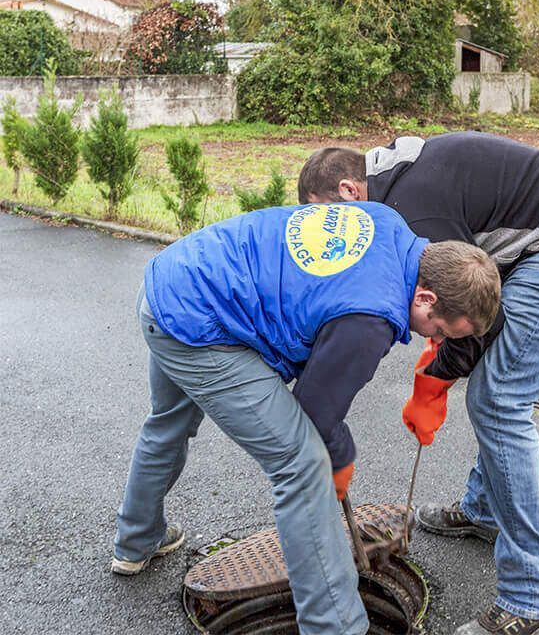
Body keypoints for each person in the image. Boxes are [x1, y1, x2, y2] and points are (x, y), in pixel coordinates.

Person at [111, 201, 500, 635]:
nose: (436, 340)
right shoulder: (371, 317)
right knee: (303, 465)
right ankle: (336, 626)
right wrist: (339, 456)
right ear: (426, 298)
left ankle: (137, 538)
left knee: (170, 422)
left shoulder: (389, 223)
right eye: (441, 331)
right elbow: (315, 410)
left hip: (176, 280)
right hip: (200, 325)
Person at [298, 132, 539, 635]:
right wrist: (438, 371)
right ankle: (484, 510)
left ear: (348, 190)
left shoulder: (412, 211)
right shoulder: (391, 182)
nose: (330, 236)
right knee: (493, 390)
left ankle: (533, 597)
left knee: (498, 402)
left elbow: (473, 317)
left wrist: (434, 381)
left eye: (326, 218)